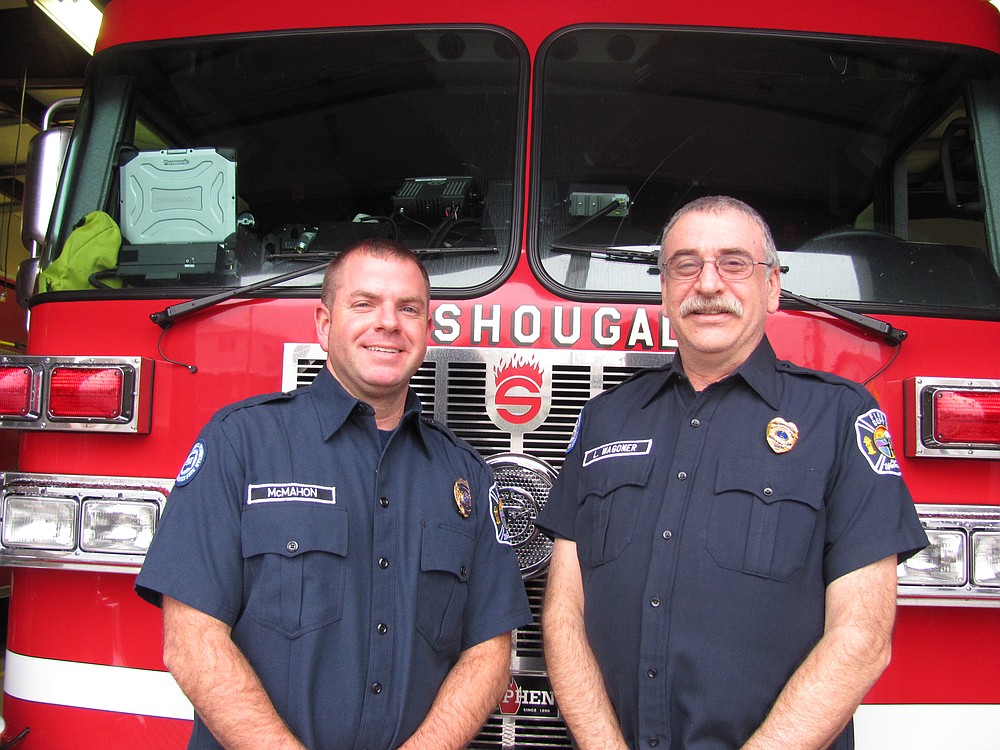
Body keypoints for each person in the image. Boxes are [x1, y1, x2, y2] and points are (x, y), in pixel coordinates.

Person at [536, 196, 928, 750]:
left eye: (735, 263)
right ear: (666, 291)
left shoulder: (841, 417)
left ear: (772, 287)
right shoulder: (604, 418)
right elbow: (563, 613)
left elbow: (862, 637)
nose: (709, 284)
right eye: (686, 265)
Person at [136, 238, 532, 749]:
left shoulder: (468, 477)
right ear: (324, 326)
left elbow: (489, 652)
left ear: (426, 332)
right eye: (364, 304)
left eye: (408, 309)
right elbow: (191, 642)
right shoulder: (240, 443)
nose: (388, 323)